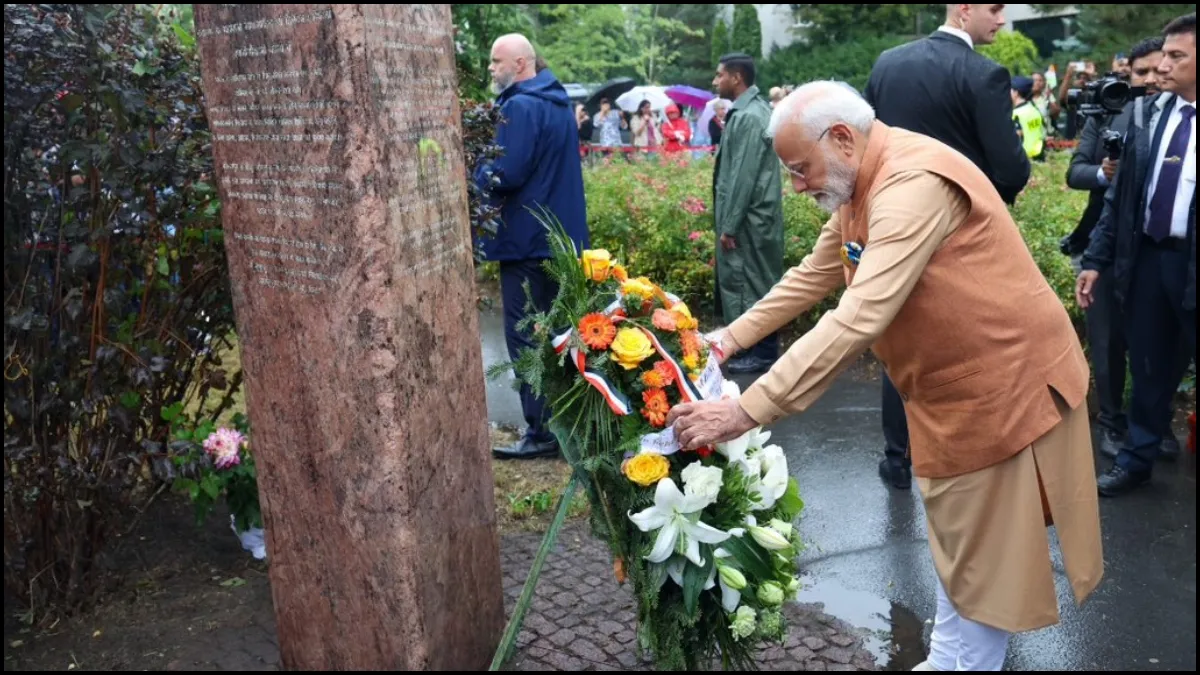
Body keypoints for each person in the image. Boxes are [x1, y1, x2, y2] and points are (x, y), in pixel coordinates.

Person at [669, 81, 1102, 672]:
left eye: (800, 169)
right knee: (965, 547)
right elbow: (814, 273)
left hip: (1003, 390)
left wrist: (747, 409)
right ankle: (946, 659)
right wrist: (721, 341)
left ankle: (962, 665)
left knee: (984, 561)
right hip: (956, 395)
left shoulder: (911, 185)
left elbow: (859, 315)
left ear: (842, 139)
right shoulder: (861, 180)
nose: (796, 186)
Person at [864, 2, 1032, 490]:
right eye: (996, 9)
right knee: (969, 343)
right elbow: (1012, 169)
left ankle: (898, 459)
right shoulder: (984, 75)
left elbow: (870, 147)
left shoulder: (888, 63)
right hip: (962, 236)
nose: (1002, 20)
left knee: (900, 341)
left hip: (891, 229)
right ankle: (968, 457)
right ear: (964, 10)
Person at [1078, 13, 1197, 497]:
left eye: (1176, 57)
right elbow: (1119, 198)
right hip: (1150, 261)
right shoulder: (1149, 114)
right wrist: (1094, 260)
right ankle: (1137, 458)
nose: (1160, 67)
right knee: (1148, 365)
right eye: (1162, 55)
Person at [473, 35, 589, 460]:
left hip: (526, 243)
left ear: (520, 63)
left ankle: (542, 434)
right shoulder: (556, 102)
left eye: (495, 60)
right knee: (559, 338)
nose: (490, 68)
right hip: (559, 240)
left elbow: (508, 173)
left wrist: (476, 168)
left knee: (527, 339)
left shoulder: (521, 105)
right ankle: (566, 427)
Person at [711, 52, 784, 375]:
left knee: (753, 283)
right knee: (751, 281)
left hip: (750, 221)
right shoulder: (748, 112)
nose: (715, 81)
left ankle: (764, 352)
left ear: (736, 77)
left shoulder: (749, 117)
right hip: (752, 218)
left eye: (719, 75)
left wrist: (729, 225)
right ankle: (754, 349)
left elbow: (743, 176)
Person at [1011, 76, 1047, 161]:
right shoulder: (1034, 109)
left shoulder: (1016, 114)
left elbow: (1014, 139)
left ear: (1016, 93)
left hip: (1024, 158)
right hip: (1039, 155)